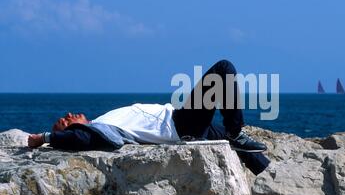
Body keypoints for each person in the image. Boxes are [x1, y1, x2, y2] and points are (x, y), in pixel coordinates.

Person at [27, 60, 267, 153]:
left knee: (246, 152)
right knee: (222, 70)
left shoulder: (103, 120)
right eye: (64, 120)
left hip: (180, 118)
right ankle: (236, 132)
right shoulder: (100, 130)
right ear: (69, 131)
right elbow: (80, 140)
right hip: (181, 125)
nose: (68, 114)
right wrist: (46, 137)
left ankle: (264, 170)